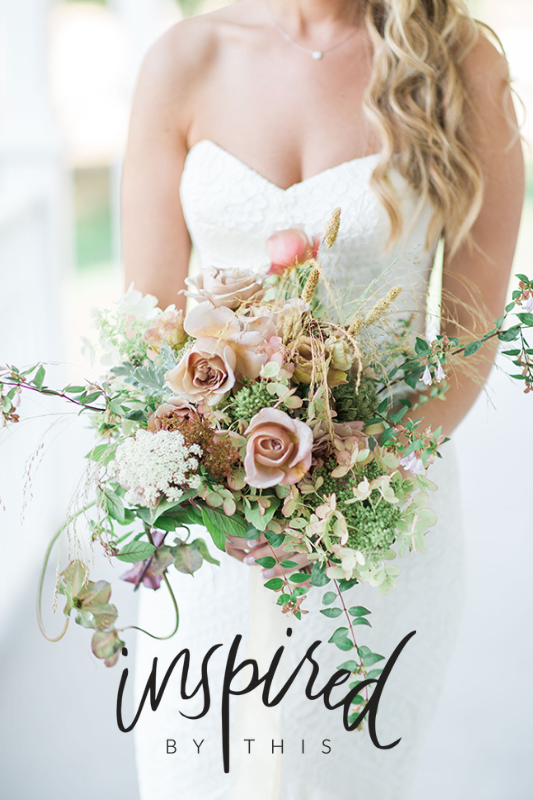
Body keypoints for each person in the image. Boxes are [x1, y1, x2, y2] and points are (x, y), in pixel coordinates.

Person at [121, 1, 524, 798]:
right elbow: (147, 328)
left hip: (380, 519)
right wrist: (221, 492)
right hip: (213, 534)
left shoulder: (461, 63)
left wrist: (337, 491)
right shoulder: (185, 58)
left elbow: (466, 343)